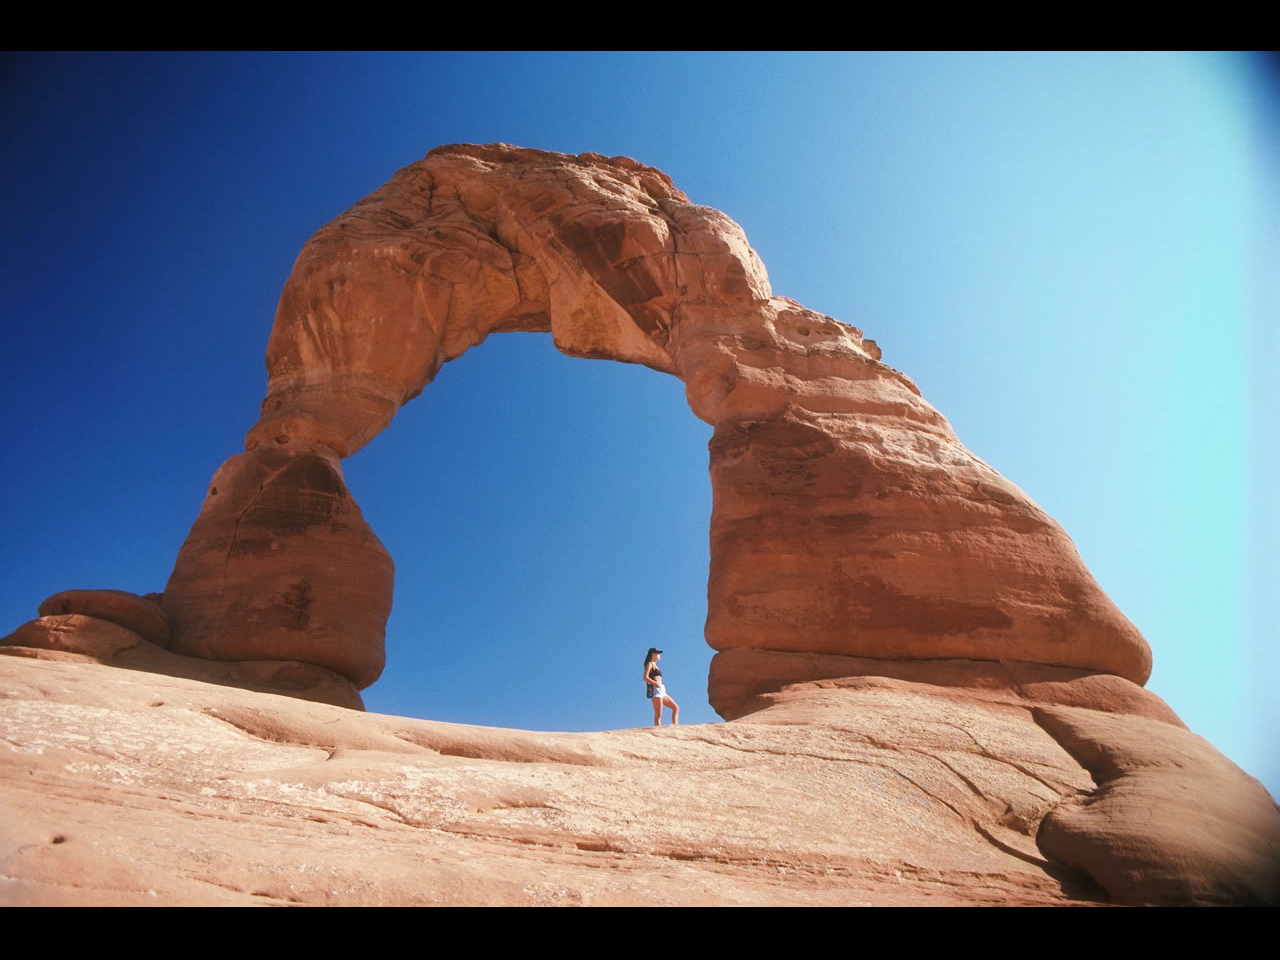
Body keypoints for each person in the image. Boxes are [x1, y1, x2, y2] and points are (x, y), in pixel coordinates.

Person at [643, 647, 679, 726]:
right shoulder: (650, 664)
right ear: (653, 654)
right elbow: (645, 678)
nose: (659, 655)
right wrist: (655, 683)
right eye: (657, 653)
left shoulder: (655, 665)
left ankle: (675, 726)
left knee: (676, 707)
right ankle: (658, 731)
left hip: (662, 690)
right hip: (656, 689)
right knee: (658, 714)